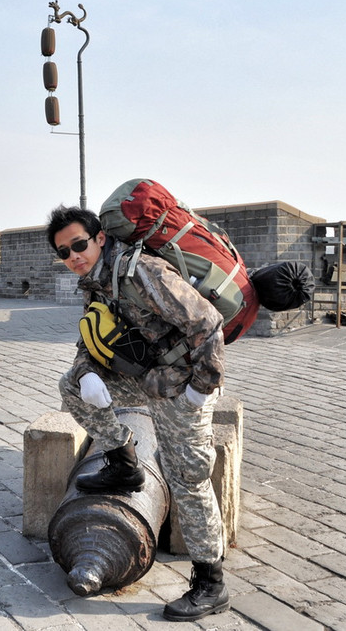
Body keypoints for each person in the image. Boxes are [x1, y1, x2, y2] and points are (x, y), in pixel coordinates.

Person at [47, 204, 230, 622]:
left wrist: (200, 393)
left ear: (98, 239)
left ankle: (210, 583)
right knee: (70, 386)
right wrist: (87, 373)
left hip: (183, 383)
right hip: (143, 376)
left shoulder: (140, 272)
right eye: (64, 252)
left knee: (188, 477)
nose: (74, 256)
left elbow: (209, 326)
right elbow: (89, 340)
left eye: (79, 245)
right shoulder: (96, 283)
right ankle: (123, 460)